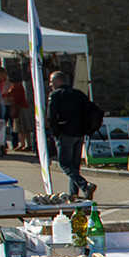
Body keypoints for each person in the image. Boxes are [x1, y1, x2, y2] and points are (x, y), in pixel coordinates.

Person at [45, 71, 96, 200]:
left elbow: (51, 116)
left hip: (65, 133)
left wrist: (55, 133)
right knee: (74, 166)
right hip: (79, 133)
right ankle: (74, 194)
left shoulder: (55, 95)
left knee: (65, 165)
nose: (51, 85)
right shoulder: (78, 94)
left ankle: (85, 186)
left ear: (59, 81)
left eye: (52, 82)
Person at [0, 67, 30, 151]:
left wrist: (11, 98)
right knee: (19, 128)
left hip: (19, 108)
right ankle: (23, 143)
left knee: (23, 127)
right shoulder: (15, 86)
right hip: (17, 107)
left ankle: (27, 144)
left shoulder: (17, 86)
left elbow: (17, 98)